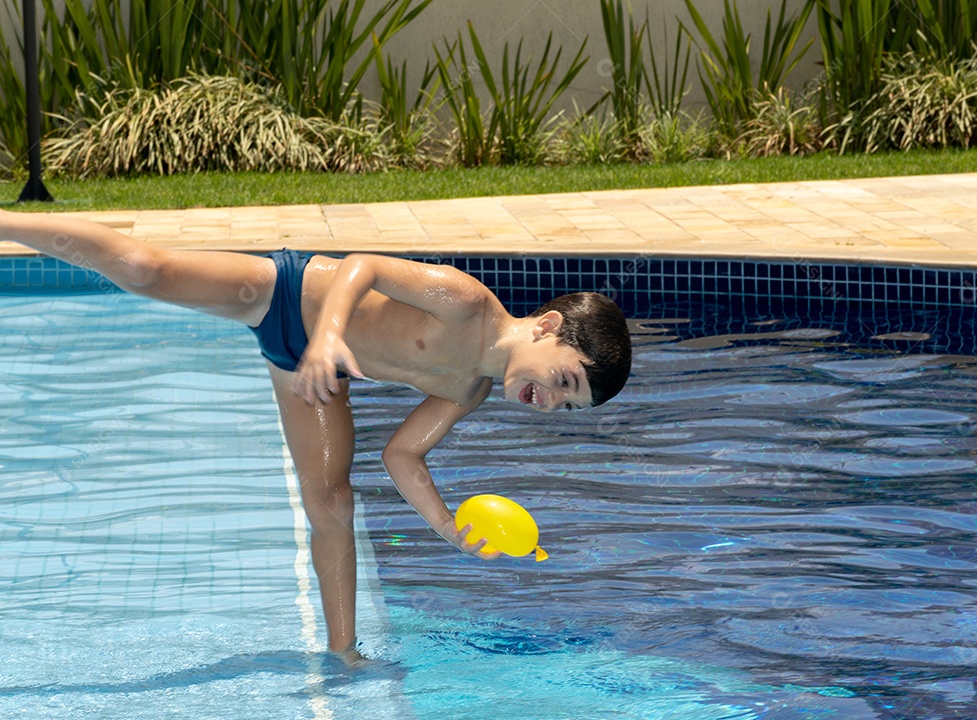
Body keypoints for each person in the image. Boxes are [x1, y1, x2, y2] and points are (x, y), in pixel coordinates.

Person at [0, 208, 632, 663]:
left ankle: (343, 653)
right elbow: (361, 267)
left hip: (311, 371)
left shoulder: (466, 392)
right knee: (145, 269)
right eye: (565, 381)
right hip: (286, 295)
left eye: (566, 407)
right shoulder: (466, 301)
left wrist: (445, 525)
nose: (549, 402)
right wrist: (328, 333)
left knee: (332, 503)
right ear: (547, 327)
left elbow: (403, 454)